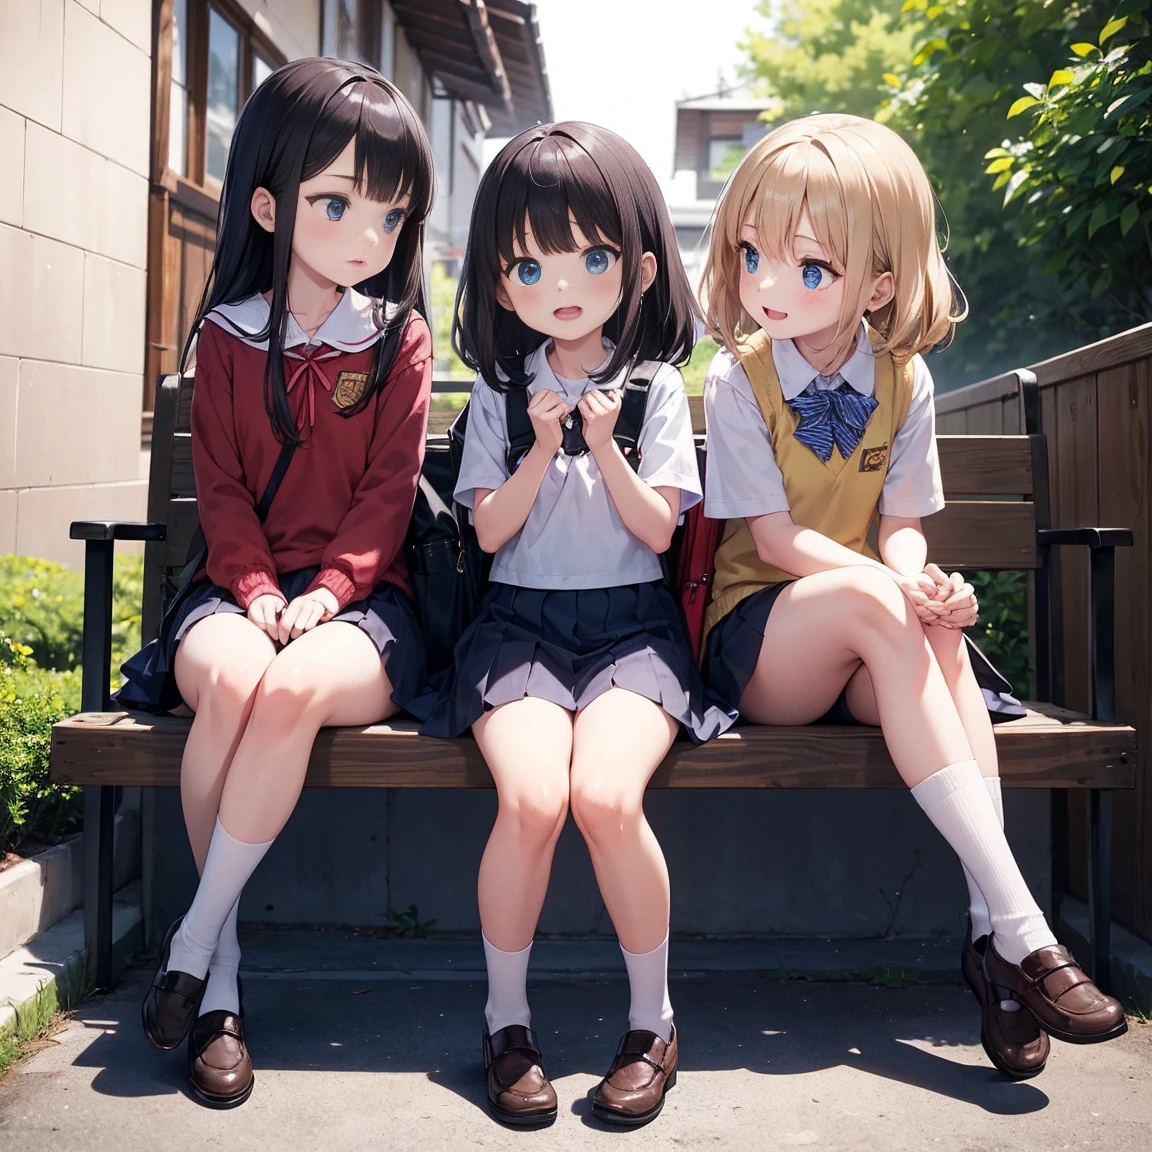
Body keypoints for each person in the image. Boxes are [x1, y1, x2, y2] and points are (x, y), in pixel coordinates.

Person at [698, 113, 1125, 1081]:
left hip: (867, 628)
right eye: (753, 255)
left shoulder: (905, 377)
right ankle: (1022, 927)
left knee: (929, 634)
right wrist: (892, 582)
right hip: (764, 642)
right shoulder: (740, 377)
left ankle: (996, 948)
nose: (768, 284)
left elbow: (900, 523)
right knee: (891, 609)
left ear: (879, 282)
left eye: (807, 268)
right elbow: (773, 541)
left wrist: (923, 577)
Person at [118, 57, 434, 1108]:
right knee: (240, 678)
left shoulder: (396, 340)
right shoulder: (224, 337)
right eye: (337, 203)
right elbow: (222, 495)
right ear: (268, 203)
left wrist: (329, 592)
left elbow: (389, 499)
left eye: (388, 215)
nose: (366, 235)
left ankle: (195, 947)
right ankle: (226, 994)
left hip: (366, 599)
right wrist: (256, 592)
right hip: (233, 587)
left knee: (289, 688)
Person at [419, 121, 732, 1128]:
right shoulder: (501, 395)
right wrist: (533, 449)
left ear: (636, 269)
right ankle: (506, 1025)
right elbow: (492, 533)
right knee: (532, 801)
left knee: (603, 797)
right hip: (518, 628)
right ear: (501, 282)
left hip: (633, 631)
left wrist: (603, 447)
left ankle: (653, 1025)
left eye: (591, 257)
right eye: (531, 262)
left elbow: (655, 528)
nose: (563, 281)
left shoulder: (653, 391)